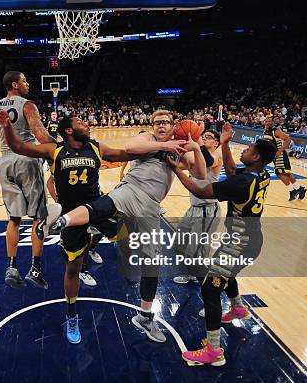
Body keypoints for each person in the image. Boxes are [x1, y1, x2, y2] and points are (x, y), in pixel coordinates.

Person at [43, 110, 204, 343]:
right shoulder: (147, 138)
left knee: (151, 262)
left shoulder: (180, 150)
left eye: (165, 122)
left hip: (151, 205)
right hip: (132, 189)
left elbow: (199, 172)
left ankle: (145, 317)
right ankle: (60, 221)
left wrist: (196, 148)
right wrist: (166, 145)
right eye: (157, 122)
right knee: (102, 206)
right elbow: (130, 148)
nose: (160, 125)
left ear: (173, 126)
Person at [0, 110, 137, 344]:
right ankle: (71, 315)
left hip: (97, 207)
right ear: (69, 130)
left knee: (127, 234)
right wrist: (7, 127)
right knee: (73, 268)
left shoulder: (96, 147)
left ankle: (96, 246)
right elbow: (19, 147)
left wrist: (159, 148)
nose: (88, 124)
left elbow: (125, 153)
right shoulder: (54, 150)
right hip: (70, 216)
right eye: (82, 122)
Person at [167, 122, 276, 366]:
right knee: (225, 274)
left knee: (209, 286)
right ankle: (238, 308)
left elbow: (200, 190)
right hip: (244, 240)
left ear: (256, 157)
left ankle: (214, 352)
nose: (243, 150)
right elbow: (233, 172)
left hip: (240, 245)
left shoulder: (242, 183)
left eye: (248, 148)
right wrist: (225, 143)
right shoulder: (260, 174)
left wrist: (176, 169)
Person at [0, 71, 54, 289]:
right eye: (24, 80)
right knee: (38, 217)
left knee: (14, 219)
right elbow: (40, 136)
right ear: (15, 84)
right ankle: (35, 268)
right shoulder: (27, 105)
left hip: (4, 162)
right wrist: (60, 148)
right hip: (27, 160)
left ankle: (11, 267)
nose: (28, 83)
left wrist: (5, 136)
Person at [173, 129, 223, 285]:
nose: (204, 139)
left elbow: (208, 161)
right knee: (180, 243)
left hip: (207, 210)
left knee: (196, 250)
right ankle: (195, 274)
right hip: (194, 208)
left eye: (208, 138)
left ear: (216, 143)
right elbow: (178, 164)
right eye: (204, 136)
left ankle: (207, 284)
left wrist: (197, 143)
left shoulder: (216, 156)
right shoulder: (196, 158)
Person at [263, 117, 307, 201]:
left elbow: (288, 139)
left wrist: (280, 150)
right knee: (286, 173)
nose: (268, 123)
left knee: (279, 173)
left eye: (269, 121)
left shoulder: (275, 131)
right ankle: (300, 189)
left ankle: (292, 190)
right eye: (266, 121)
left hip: (280, 156)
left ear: (272, 122)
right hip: (274, 156)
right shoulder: (265, 131)